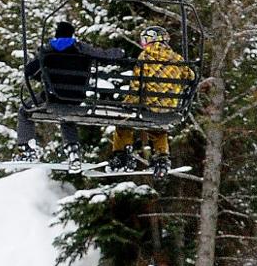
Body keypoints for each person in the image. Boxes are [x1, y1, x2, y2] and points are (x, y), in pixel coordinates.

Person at [17, 21, 129, 170]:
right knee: (67, 115)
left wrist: (44, 76)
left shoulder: (47, 51)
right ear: (72, 34)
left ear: (56, 34)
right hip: (76, 97)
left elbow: (29, 70)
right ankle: (72, 150)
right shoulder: (81, 49)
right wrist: (120, 52)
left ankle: (27, 148)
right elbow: (104, 55)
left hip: (52, 97)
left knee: (24, 111)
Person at [107, 25, 190, 180]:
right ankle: (161, 158)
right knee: (158, 129)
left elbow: (137, 86)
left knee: (123, 123)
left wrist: (128, 104)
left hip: (148, 106)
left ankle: (122, 155)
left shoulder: (145, 56)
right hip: (169, 108)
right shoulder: (177, 58)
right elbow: (190, 77)